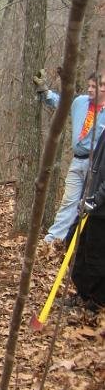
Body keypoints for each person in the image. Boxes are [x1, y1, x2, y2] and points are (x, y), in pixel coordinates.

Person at [35, 72, 105, 243]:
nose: (89, 90)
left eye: (94, 87)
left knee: (89, 204)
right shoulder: (80, 102)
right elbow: (61, 103)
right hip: (77, 160)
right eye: (89, 86)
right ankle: (53, 240)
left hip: (96, 165)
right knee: (69, 201)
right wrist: (45, 92)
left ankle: (79, 242)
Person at [70, 84, 105, 312]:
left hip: (102, 207)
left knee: (96, 255)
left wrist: (97, 197)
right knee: (79, 246)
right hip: (93, 199)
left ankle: (95, 300)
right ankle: (82, 294)